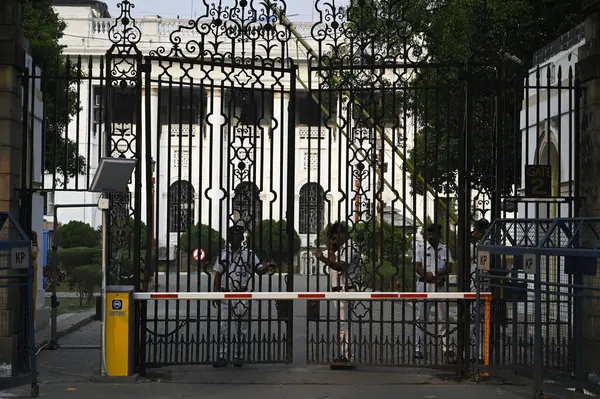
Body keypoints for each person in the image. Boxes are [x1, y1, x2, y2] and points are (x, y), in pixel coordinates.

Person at [212, 225, 276, 368]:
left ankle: (238, 355)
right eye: (232, 234)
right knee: (224, 326)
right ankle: (223, 355)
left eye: (237, 234)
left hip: (242, 294)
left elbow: (259, 270)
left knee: (242, 327)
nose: (234, 237)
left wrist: (268, 266)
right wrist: (215, 293)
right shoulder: (224, 254)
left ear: (241, 238)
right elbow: (217, 273)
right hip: (226, 293)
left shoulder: (249, 254)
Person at [315, 222, 362, 365]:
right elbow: (335, 263)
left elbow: (341, 266)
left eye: (335, 238)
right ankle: (344, 354)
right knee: (343, 325)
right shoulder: (342, 249)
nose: (333, 241)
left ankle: (347, 356)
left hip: (346, 290)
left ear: (342, 234)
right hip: (340, 291)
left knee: (344, 325)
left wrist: (323, 259)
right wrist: (332, 251)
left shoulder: (350, 248)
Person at [414, 223, 454, 361]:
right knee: (421, 318)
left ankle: (446, 348)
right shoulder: (420, 247)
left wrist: (435, 275)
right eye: (428, 233)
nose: (431, 236)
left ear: (439, 235)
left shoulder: (445, 249)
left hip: (440, 286)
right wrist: (428, 276)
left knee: (443, 318)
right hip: (424, 286)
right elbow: (417, 267)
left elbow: (449, 267)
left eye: (433, 233)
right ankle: (418, 348)